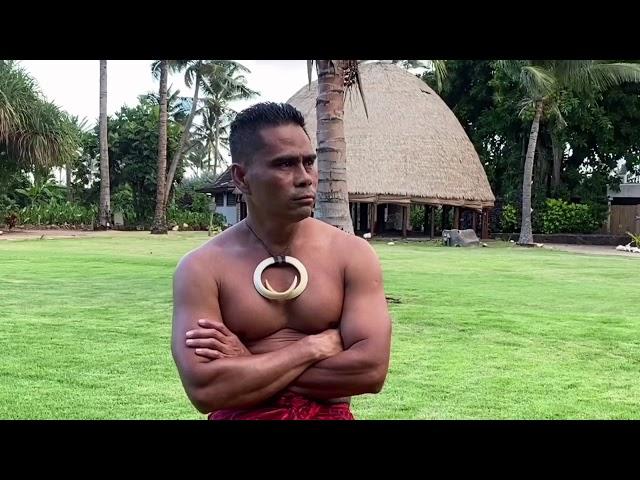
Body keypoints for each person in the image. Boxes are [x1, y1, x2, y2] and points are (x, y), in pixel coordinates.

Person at [171, 102, 391, 420]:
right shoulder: (202, 268)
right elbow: (206, 389)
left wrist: (247, 359)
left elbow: (370, 371)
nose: (305, 178)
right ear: (242, 177)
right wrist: (310, 348)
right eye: (285, 164)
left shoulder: (352, 255)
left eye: (309, 162)